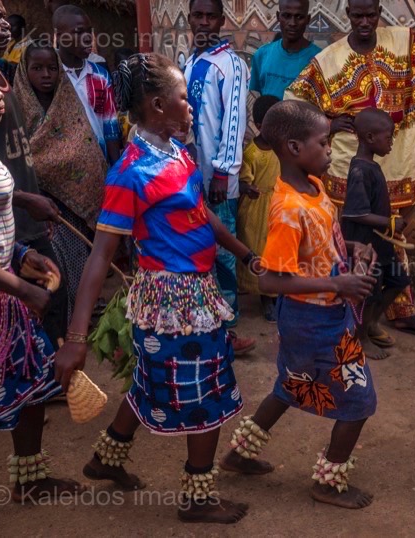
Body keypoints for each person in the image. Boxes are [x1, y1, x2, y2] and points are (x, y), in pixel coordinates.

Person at [54, 52, 261, 524]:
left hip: (195, 292)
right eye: (183, 98)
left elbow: (202, 214)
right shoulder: (130, 174)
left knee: (152, 380)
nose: (191, 107)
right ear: (156, 105)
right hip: (173, 302)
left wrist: (245, 252)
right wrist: (76, 338)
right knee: (207, 393)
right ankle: (198, 497)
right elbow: (100, 257)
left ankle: (106, 459)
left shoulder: (176, 151)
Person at [286, 0, 415, 346]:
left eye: (370, 14)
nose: (364, 21)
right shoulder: (328, 60)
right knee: (353, 243)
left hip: (396, 164)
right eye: (357, 15)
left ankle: (396, 313)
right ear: (348, 16)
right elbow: (292, 101)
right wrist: (328, 123)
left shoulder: (405, 43)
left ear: (379, 14)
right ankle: (349, 318)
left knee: (390, 244)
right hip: (350, 169)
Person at [219, 100, 379, 509]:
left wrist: (354, 247)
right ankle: (327, 482)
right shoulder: (288, 208)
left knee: (291, 384)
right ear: (293, 147)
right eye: (323, 142)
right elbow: (270, 279)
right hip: (312, 320)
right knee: (358, 401)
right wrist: (336, 282)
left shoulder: (315, 187)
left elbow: (324, 236)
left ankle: (239, 455)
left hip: (322, 315)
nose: (329, 150)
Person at [0, 36, 81, 501]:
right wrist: (22, 288)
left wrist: (17, 253)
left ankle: (30, 480)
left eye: (0, 84)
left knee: (34, 382)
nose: (1, 94)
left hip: (0, 284)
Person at [0, 0, 67, 347]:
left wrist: (19, 253)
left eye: (6, 17)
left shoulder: (0, 76)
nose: (5, 25)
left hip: (13, 235)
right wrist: (23, 200)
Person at [14, 43, 107, 321]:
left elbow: (86, 151)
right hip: (34, 206)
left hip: (75, 210)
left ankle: (78, 320)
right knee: (50, 272)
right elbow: (17, 159)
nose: (46, 75)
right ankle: (58, 327)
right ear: (24, 71)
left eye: (52, 69)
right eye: (38, 68)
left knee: (78, 266)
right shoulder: (14, 109)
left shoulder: (70, 106)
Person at [184, 0, 256, 356]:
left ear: (221, 20)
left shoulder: (232, 64)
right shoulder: (192, 60)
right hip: (190, 177)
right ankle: (207, 322)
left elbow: (234, 122)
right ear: (189, 19)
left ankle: (228, 329)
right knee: (201, 248)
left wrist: (224, 171)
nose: (204, 22)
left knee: (224, 250)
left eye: (211, 16)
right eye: (198, 15)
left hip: (218, 179)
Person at [341, 108, 409, 359]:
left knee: (398, 282)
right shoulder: (360, 170)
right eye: (388, 137)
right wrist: (390, 223)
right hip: (364, 245)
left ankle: (369, 325)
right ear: (370, 138)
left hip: (379, 244)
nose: (391, 142)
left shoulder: (370, 166)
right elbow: (355, 214)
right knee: (366, 294)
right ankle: (359, 340)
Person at [53, 4, 121, 165]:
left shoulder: (100, 75)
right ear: (60, 36)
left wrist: (115, 168)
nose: (88, 37)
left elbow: (110, 124)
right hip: (61, 167)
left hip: (98, 162)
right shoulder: (52, 76)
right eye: (78, 32)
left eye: (89, 31)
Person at [237, 94, 280, 322]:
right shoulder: (252, 152)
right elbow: (243, 181)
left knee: (276, 250)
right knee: (259, 250)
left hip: (277, 206)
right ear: (262, 126)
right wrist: (247, 188)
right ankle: (265, 298)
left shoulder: (283, 148)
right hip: (256, 209)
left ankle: (275, 294)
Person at [249, 0, 321, 100]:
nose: (292, 23)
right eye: (286, 16)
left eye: (299, 17)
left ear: (308, 19)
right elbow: (257, 99)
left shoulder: (320, 60)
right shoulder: (262, 55)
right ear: (278, 16)